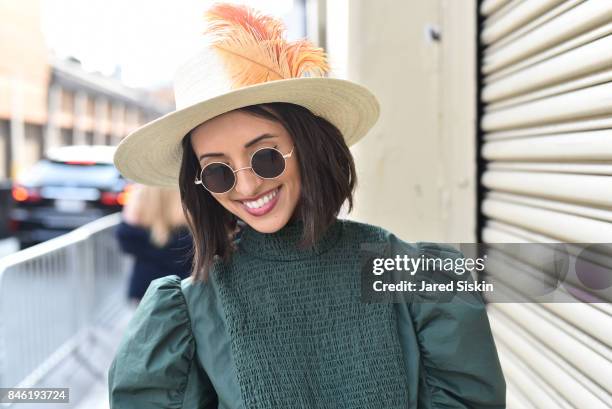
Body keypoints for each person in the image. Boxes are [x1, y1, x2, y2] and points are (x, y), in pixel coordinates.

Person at [108, 3, 506, 408]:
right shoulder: (188, 312)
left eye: (266, 157)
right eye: (218, 172)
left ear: (309, 147)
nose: (246, 185)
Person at [115, 184, 192, 302]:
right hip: (186, 287)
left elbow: (125, 237)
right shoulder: (191, 191)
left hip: (146, 288)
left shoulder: (143, 190)